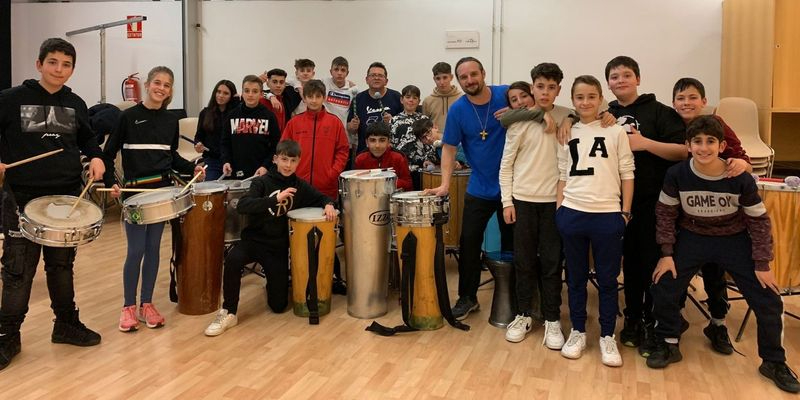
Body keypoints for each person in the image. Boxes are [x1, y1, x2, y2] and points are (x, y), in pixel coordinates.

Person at [647, 115, 799, 394]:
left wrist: (762, 263)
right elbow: (665, 214)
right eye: (697, 142)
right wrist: (666, 253)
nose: (704, 148)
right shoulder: (677, 174)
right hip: (693, 235)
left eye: (710, 142)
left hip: (733, 238)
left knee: (768, 297)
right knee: (663, 283)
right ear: (688, 146)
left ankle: (774, 361)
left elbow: (759, 221)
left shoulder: (738, 177)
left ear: (722, 146)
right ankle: (668, 342)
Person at [0, 38, 106, 370]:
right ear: (39, 64)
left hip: (65, 198)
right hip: (22, 197)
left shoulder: (75, 102)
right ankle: (7, 336)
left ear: (72, 69)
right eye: (53, 62)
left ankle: (66, 324)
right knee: (18, 271)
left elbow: (87, 138)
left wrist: (97, 156)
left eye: (66, 64)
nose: (59, 69)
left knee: (61, 266)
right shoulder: (10, 99)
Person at [104, 66, 206, 332]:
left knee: (153, 250)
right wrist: (110, 182)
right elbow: (108, 153)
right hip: (135, 194)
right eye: (157, 83)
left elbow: (171, 156)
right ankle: (128, 307)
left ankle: (146, 304)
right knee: (136, 250)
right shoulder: (127, 117)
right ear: (148, 85)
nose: (161, 88)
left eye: (167, 85)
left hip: (162, 194)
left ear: (170, 91)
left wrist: (192, 167)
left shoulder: (171, 120)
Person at [204, 140, 336, 337]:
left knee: (279, 306)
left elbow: (322, 197)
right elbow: (243, 206)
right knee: (233, 259)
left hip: (277, 248)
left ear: (299, 162)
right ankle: (229, 311)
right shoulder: (261, 182)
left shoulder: (299, 185)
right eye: (284, 159)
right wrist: (275, 199)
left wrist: (329, 205)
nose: (288, 165)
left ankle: (272, 283)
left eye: (293, 160)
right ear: (275, 159)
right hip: (253, 241)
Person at [603, 56, 687, 354]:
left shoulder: (661, 112)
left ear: (638, 79)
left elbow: (683, 151)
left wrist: (645, 143)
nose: (621, 80)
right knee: (629, 264)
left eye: (626, 75)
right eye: (614, 77)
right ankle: (633, 318)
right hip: (616, 203)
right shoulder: (605, 115)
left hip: (654, 201)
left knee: (651, 262)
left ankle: (654, 321)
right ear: (608, 84)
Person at [425, 57, 513, 320]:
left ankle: (518, 298)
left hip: (512, 188)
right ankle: (467, 297)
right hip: (480, 187)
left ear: (483, 73)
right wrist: (444, 183)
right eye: (464, 77)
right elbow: (449, 148)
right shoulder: (459, 110)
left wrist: (517, 111)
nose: (470, 80)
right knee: (469, 242)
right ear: (459, 80)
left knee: (514, 243)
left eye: (474, 74)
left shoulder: (506, 94)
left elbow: (539, 104)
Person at [555, 75, 634, 367]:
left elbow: (627, 172)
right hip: (573, 213)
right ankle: (578, 330)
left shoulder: (615, 131)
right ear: (573, 101)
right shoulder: (567, 130)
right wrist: (560, 210)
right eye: (580, 97)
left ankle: (607, 335)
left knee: (608, 279)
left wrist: (625, 212)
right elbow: (562, 173)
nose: (585, 102)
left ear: (601, 98)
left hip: (608, 214)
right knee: (575, 278)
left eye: (591, 96)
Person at [671, 77, 752, 355]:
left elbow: (742, 159)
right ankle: (674, 321)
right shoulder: (669, 122)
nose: (687, 103)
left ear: (704, 101)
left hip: (715, 213)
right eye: (681, 98)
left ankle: (717, 324)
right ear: (673, 103)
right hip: (681, 209)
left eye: (693, 97)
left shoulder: (717, 125)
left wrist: (741, 163)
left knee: (715, 270)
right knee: (677, 269)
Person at [498, 64, 572, 347]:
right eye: (540, 87)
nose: (545, 92)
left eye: (551, 87)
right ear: (532, 88)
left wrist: (570, 118)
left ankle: (552, 319)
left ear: (558, 90)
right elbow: (506, 166)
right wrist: (507, 201)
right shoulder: (518, 123)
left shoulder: (566, 116)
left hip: (554, 203)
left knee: (552, 264)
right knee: (524, 262)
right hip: (522, 202)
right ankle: (523, 314)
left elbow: (589, 112)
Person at [280, 79, 350, 202]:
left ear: (324, 98)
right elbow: (283, 150)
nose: (313, 100)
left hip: (326, 187)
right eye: (310, 96)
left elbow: (343, 151)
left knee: (327, 214)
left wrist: (333, 173)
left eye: (318, 96)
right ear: (304, 98)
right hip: (297, 185)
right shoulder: (294, 123)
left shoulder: (335, 122)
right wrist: (290, 172)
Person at [221, 75, 281, 179]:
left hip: (262, 171)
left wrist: (265, 166)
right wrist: (226, 161)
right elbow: (225, 143)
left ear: (261, 94)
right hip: (236, 171)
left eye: (255, 91)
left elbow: (276, 145)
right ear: (242, 93)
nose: (250, 95)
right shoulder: (232, 115)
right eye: (247, 91)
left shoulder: (269, 116)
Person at [347, 62, 403, 154]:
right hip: (364, 153)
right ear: (366, 80)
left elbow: (405, 126)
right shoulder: (358, 99)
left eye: (380, 75)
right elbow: (350, 128)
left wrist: (393, 122)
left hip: (391, 153)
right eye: (373, 75)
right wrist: (353, 126)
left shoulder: (396, 97)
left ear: (386, 81)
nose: (376, 78)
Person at [195, 79, 238, 181]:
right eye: (218, 92)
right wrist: (198, 144)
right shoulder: (205, 113)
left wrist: (237, 101)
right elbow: (198, 136)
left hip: (232, 161)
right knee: (211, 186)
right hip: (212, 159)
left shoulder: (235, 113)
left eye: (226, 93)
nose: (221, 95)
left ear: (232, 96)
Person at [390, 85, 432, 189]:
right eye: (408, 97)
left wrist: (429, 159)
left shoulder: (425, 119)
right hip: (402, 167)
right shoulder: (394, 120)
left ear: (419, 101)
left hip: (422, 167)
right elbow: (391, 143)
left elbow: (430, 142)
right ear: (402, 100)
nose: (411, 100)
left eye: (414, 98)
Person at [355, 121, 413, 191]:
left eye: (382, 140)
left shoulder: (399, 158)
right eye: (372, 140)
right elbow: (355, 184)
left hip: (393, 196)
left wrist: (385, 183)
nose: (377, 145)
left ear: (388, 142)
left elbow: (408, 184)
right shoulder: (360, 159)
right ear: (367, 142)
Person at [421, 62, 462, 136]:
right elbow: (425, 126)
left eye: (445, 77)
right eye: (438, 78)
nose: (442, 82)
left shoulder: (461, 98)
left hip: (458, 139)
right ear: (434, 79)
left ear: (451, 77)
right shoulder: (428, 101)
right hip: (435, 140)